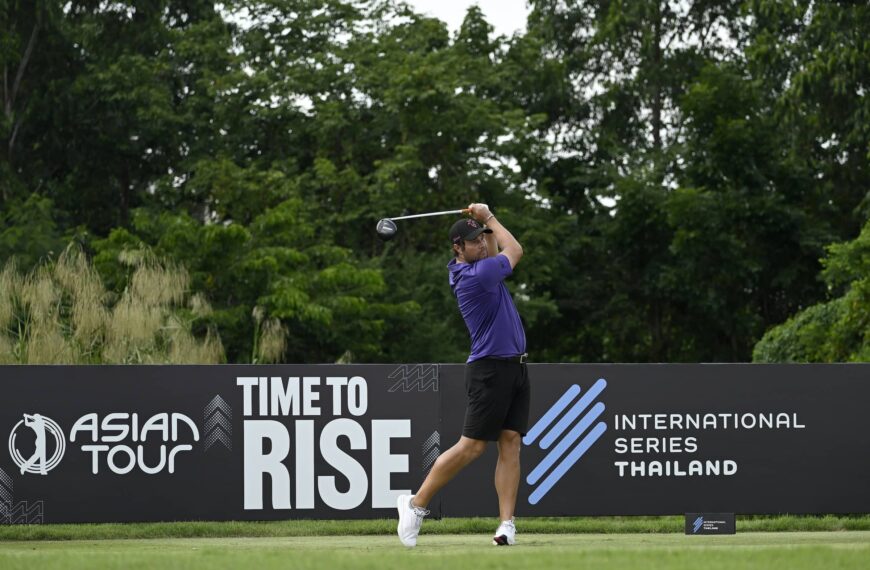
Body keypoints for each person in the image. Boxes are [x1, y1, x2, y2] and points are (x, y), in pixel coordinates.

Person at [397, 202, 529, 547]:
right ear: (458, 247)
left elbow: (497, 248)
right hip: (489, 370)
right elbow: (515, 250)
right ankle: (415, 504)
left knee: (510, 443)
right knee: (471, 447)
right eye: (474, 242)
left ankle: (506, 524)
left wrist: (484, 224)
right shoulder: (477, 276)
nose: (483, 245)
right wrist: (488, 217)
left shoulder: (478, 266)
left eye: (483, 240)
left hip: (514, 367)